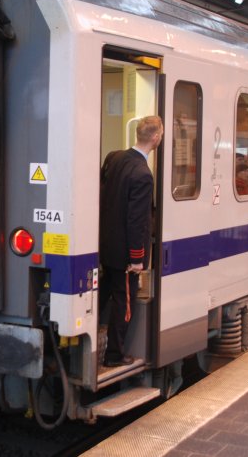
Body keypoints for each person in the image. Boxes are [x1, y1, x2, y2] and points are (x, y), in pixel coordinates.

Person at [99, 115, 163, 367]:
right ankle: (114, 355)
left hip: (106, 246)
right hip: (125, 255)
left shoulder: (115, 158)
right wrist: (137, 259)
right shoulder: (143, 174)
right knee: (124, 303)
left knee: (104, 293)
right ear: (156, 138)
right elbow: (137, 221)